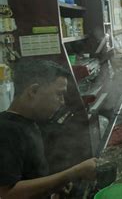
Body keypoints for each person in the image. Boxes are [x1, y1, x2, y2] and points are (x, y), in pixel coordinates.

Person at [0, 59, 97, 199]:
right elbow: (7, 193)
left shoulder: (31, 122)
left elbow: (31, 176)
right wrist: (73, 173)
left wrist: (54, 187)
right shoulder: (6, 130)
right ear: (33, 91)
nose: (62, 101)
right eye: (58, 94)